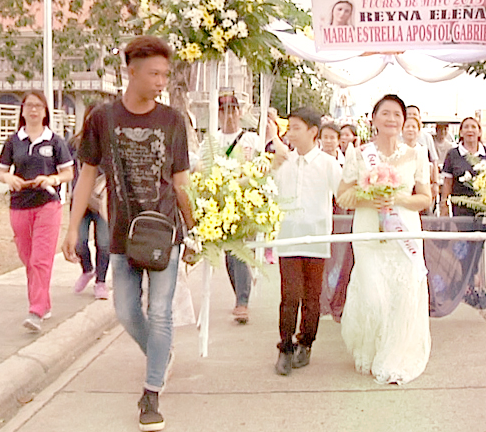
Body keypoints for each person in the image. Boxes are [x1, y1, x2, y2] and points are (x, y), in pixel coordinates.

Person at [64, 35, 195, 432]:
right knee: (125, 310)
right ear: (131, 71)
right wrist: (71, 228)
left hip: (164, 233)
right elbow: (87, 175)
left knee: (160, 312)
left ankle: (151, 392)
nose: (160, 81)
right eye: (153, 73)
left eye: (165, 75)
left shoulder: (172, 121)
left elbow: (182, 181)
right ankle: (161, 355)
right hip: (121, 231)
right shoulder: (103, 118)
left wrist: (195, 229)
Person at [336, 94, 433, 385]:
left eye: (397, 115)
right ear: (374, 119)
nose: (391, 120)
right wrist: (369, 198)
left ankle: (394, 355)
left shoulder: (416, 155)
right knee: (373, 295)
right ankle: (370, 347)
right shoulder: (359, 154)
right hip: (368, 231)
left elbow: (425, 199)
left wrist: (400, 197)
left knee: (403, 296)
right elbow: (342, 196)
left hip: (404, 232)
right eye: (385, 114)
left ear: (404, 122)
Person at [269, 107, 342, 376]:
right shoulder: (282, 162)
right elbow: (265, 189)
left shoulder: (328, 164)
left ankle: (306, 343)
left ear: (313, 132)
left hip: (317, 238)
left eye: (297, 128)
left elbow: (344, 196)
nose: (291, 133)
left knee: (312, 297)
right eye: (289, 128)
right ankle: (284, 347)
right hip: (288, 237)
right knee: (290, 296)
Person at [0, 91, 74, 332]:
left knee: (41, 259)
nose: (33, 110)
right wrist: (10, 178)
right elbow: (1, 172)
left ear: (45, 112)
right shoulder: (13, 142)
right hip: (19, 204)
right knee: (28, 258)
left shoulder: (55, 142)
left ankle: (36, 310)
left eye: (38, 106)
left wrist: (51, 179)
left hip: (48, 205)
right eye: (29, 106)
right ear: (22, 110)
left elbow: (68, 173)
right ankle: (44, 302)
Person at [198, 93, 261, 324]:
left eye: (234, 110)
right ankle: (240, 294)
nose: (230, 115)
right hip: (221, 203)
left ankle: (242, 302)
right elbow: (202, 168)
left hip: (245, 200)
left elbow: (261, 165)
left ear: (240, 112)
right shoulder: (211, 141)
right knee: (229, 255)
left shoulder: (252, 139)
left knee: (239, 249)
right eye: (225, 111)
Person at [69, 105, 110, 300]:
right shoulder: (75, 143)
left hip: (102, 199)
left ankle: (101, 282)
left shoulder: (111, 143)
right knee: (79, 241)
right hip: (81, 199)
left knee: (104, 242)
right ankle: (87, 269)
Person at [439, 117, 486, 217]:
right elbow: (447, 182)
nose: (470, 130)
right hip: (460, 208)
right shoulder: (453, 154)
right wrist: (444, 204)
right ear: (461, 133)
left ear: (479, 132)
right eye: (466, 127)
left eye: (473, 127)